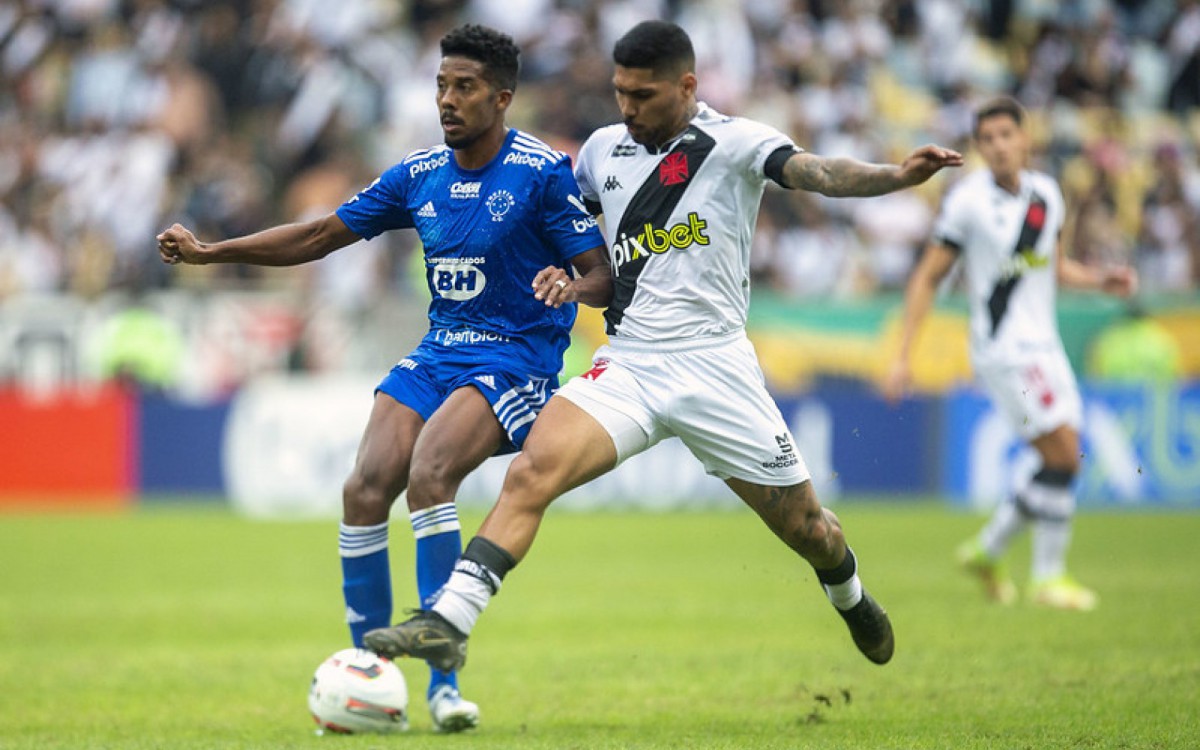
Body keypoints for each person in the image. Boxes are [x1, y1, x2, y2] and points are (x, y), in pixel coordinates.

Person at [362, 20, 962, 676]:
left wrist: (896, 176)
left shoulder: (737, 142)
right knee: (532, 471)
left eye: (643, 96)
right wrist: (552, 274)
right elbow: (559, 228)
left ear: (686, 86)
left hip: (715, 368)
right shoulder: (600, 151)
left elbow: (818, 171)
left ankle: (849, 595)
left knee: (809, 529)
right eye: (620, 93)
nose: (627, 109)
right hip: (631, 364)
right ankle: (450, 621)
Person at [156, 24, 611, 731]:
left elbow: (602, 273)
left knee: (432, 470)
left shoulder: (542, 172)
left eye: (464, 87)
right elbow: (317, 236)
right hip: (439, 353)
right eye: (440, 86)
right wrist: (212, 252)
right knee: (365, 486)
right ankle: (366, 671)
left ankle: (443, 686)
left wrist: (571, 284)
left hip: (514, 360)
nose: (447, 100)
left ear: (502, 97)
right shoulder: (420, 173)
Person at [882, 96, 1137, 611]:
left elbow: (1052, 266)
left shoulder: (1046, 194)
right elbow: (929, 276)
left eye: (1007, 135)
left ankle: (989, 547)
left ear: (1026, 139)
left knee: (1064, 457)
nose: (999, 146)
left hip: (1045, 345)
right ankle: (1047, 578)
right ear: (979, 148)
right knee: (1065, 453)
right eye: (988, 139)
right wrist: (902, 353)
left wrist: (1098, 279)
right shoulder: (967, 204)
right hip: (1004, 351)